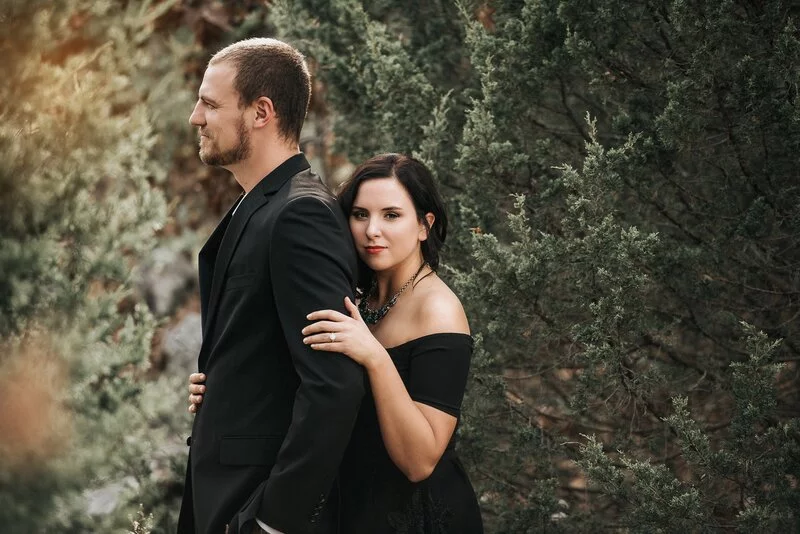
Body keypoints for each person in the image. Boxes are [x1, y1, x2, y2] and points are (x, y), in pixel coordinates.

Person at [190, 154, 484, 533]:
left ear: (424, 226)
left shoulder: (438, 309)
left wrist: (376, 358)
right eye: (360, 214)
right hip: (353, 512)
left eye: (391, 215)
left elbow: (420, 460)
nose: (371, 231)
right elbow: (313, 386)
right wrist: (220, 388)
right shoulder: (357, 300)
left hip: (419, 519)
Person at [177, 38, 364, 534]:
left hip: (256, 506)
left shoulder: (300, 214)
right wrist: (222, 386)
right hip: (220, 496)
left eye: (210, 104)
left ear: (261, 112)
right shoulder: (258, 205)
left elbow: (332, 385)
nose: (196, 117)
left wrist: (272, 522)